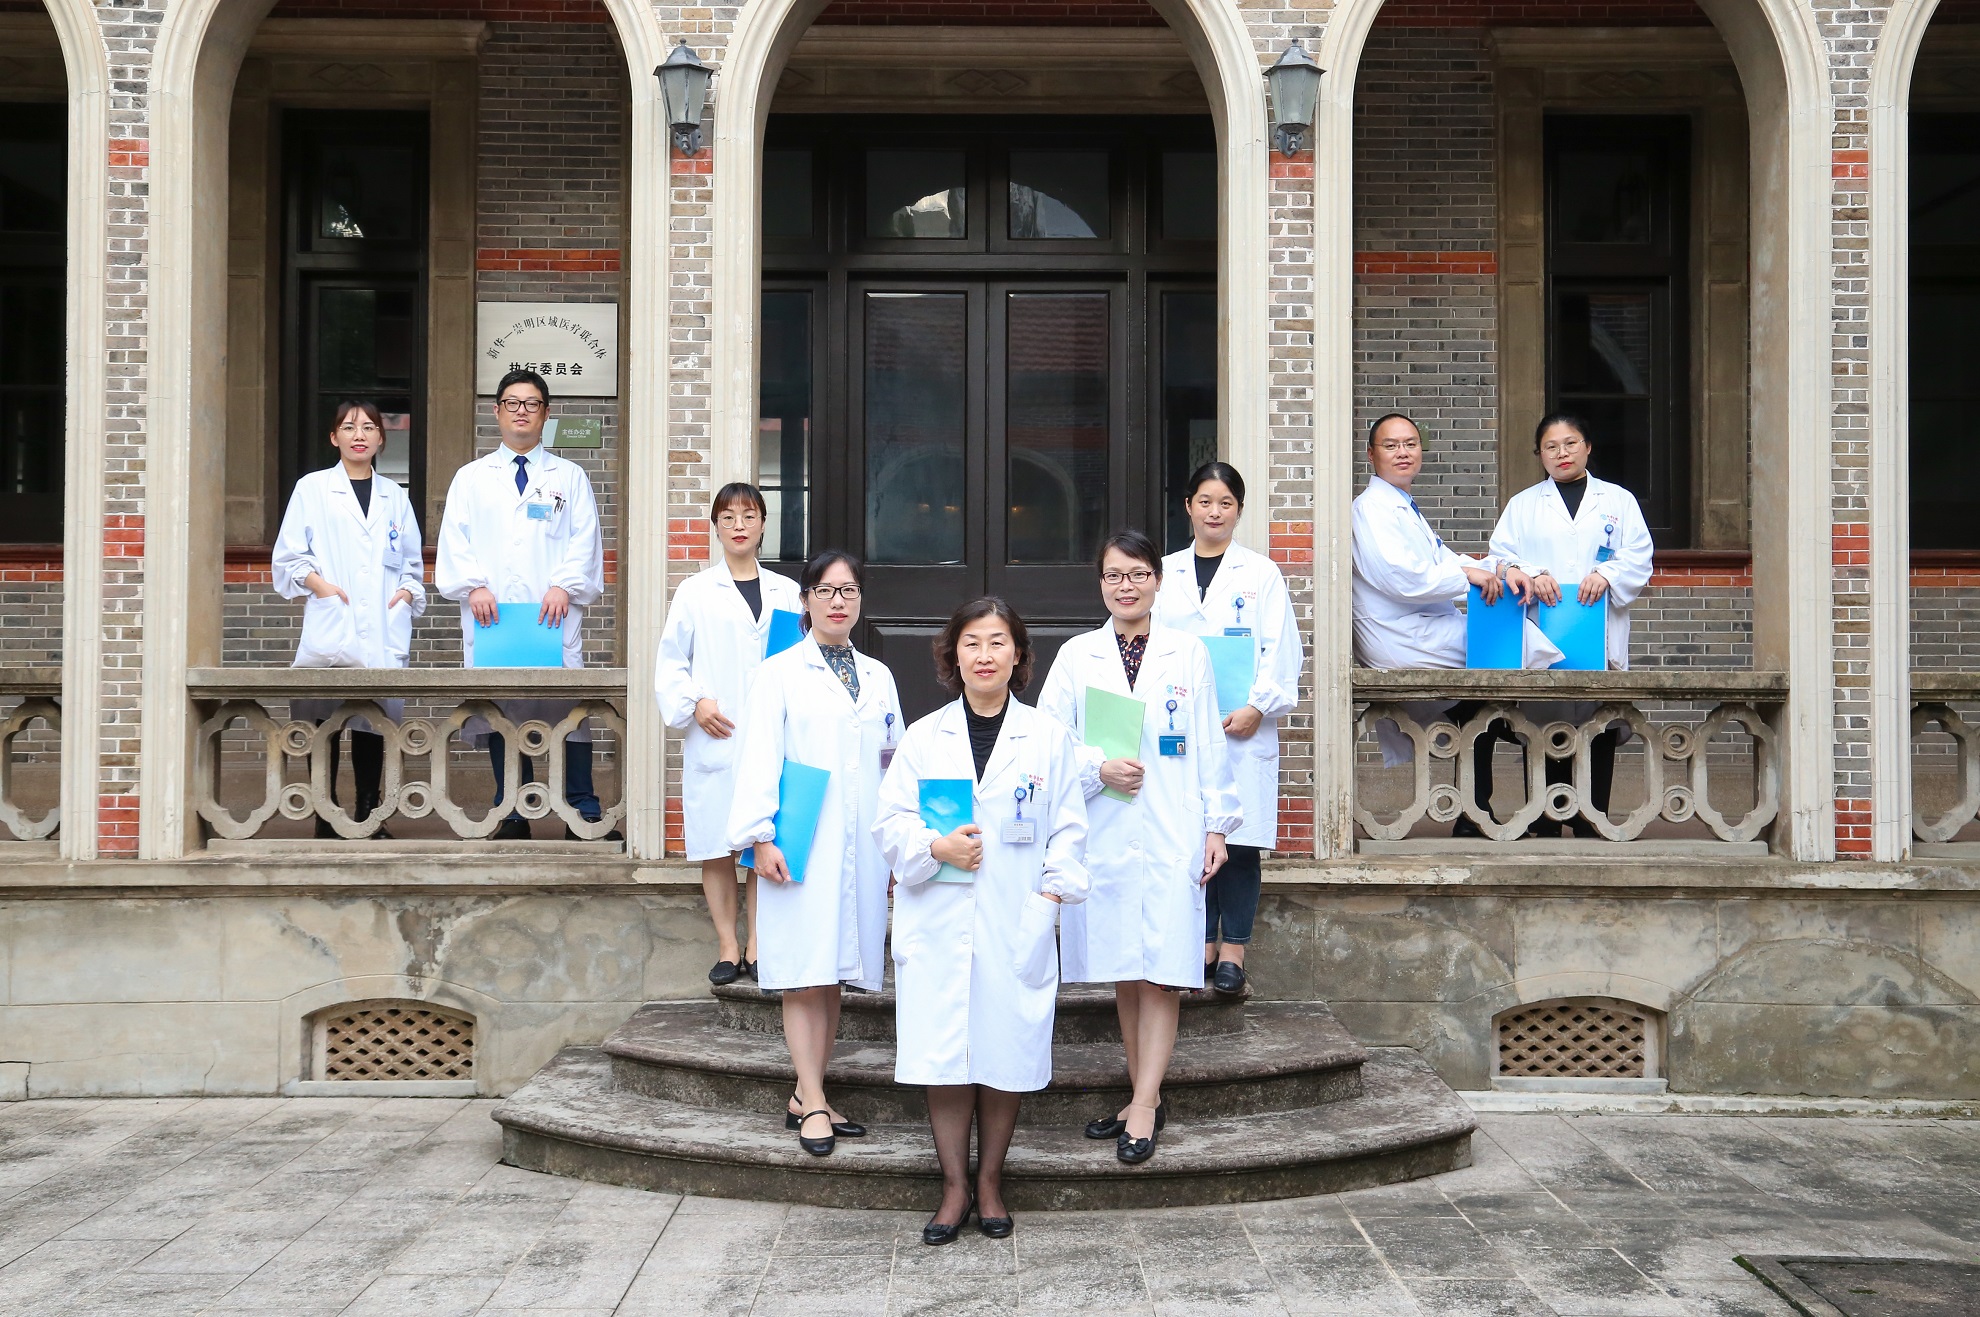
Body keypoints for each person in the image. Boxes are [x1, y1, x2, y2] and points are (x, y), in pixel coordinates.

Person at [874, 596, 1088, 1245]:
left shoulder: (1047, 738)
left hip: (1013, 914)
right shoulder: (923, 737)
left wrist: (1049, 895)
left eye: (997, 642)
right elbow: (890, 823)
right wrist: (935, 847)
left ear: (1018, 654)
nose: (985, 655)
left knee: (1005, 1052)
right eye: (972, 642)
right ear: (954, 655)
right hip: (938, 917)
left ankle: (990, 1180)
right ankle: (954, 1187)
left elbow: (1069, 827)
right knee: (944, 1055)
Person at [1036, 528, 1241, 1165]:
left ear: (1158, 580)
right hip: (1104, 827)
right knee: (1128, 970)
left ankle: (1147, 1103)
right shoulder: (1077, 656)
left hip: (1172, 827)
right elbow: (1047, 741)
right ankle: (1138, 1093)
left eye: (1138, 574)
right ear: (1100, 583)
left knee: (1163, 974)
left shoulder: (1188, 653)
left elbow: (1208, 742)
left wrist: (1217, 827)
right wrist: (1097, 769)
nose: (1126, 587)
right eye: (1114, 575)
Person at [727, 550, 899, 1157]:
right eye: (825, 590)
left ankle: (809, 1093)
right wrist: (761, 836)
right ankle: (814, 1100)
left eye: (848, 590)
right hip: (799, 843)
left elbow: (893, 760)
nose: (837, 601)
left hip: (861, 847)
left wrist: (897, 846)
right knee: (803, 974)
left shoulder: (878, 676)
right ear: (805, 600)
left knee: (831, 974)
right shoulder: (778, 672)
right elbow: (757, 756)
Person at [434, 369, 610, 840]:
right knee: (501, 707)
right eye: (512, 403)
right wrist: (473, 586)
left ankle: (582, 809)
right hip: (493, 617)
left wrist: (564, 585)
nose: (521, 412)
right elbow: (455, 540)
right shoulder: (471, 478)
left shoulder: (568, 477)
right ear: (497, 411)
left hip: (552, 615)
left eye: (531, 404)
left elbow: (585, 540)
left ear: (545, 414)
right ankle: (512, 809)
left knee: (569, 709)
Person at [1152, 462, 1302, 998]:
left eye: (1226, 503)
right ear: (1188, 506)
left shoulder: (1261, 574)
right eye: (1205, 501)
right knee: (1189, 835)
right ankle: (1200, 945)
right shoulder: (1162, 573)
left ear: (1239, 510)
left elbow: (1281, 649)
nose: (1214, 512)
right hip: (1179, 724)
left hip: (1242, 727)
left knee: (1237, 841)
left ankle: (1233, 950)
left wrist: (1258, 707)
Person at [655, 483, 804, 984]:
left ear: (763, 524)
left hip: (771, 735)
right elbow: (670, 662)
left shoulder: (786, 592)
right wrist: (695, 703)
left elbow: (800, 660)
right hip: (717, 734)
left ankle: (759, 944)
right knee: (717, 844)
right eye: (728, 517)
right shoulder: (695, 591)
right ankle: (727, 945)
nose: (739, 525)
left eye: (749, 515)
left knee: (763, 840)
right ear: (716, 527)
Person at [1489, 412, 1655, 836]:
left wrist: (1608, 574)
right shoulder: (1523, 505)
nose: (1561, 453)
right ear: (1539, 454)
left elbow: (1639, 555)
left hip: (1599, 628)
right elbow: (1500, 557)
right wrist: (1532, 573)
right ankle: (1545, 818)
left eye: (1570, 443)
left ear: (1587, 446)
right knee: (1543, 721)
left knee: (1598, 721)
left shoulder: (1618, 501)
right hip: (1546, 628)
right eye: (1551, 446)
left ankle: (1591, 818)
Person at [1349, 413, 1512, 837]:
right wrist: (1471, 575)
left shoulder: (1403, 506)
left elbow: (1445, 560)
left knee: (1482, 699)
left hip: (1419, 628)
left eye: (1410, 444)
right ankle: (1524, 748)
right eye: (1391, 445)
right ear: (1371, 454)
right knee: (1515, 646)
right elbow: (1402, 577)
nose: (1402, 453)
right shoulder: (1371, 509)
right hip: (1400, 634)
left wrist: (1497, 567)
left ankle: (1475, 810)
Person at [271, 400, 426, 839]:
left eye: (369, 427)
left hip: (381, 621)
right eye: (349, 427)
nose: (360, 435)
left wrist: (406, 593)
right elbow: (288, 555)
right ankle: (325, 814)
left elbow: (412, 563)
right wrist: (319, 585)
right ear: (334, 437)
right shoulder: (312, 489)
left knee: (371, 722)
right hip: (333, 619)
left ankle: (368, 813)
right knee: (322, 721)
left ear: (381, 438)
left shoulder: (395, 496)